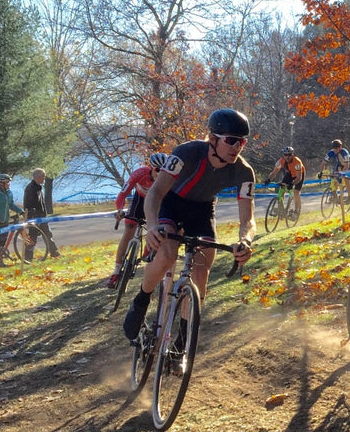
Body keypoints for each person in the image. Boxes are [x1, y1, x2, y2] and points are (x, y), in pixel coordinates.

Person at [122, 109, 256, 343]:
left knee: (202, 268)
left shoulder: (244, 172)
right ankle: (142, 299)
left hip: (202, 209)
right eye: (231, 140)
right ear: (212, 139)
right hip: (171, 203)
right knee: (167, 254)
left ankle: (184, 337)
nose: (237, 147)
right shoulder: (187, 152)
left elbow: (248, 220)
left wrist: (245, 240)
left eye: (242, 142)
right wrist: (152, 226)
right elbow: (155, 193)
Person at [106, 152, 169, 288]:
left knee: (157, 229)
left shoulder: (168, 178)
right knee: (129, 230)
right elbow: (122, 194)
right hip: (140, 200)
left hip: (158, 203)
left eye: (163, 170)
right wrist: (120, 209)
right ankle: (116, 271)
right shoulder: (139, 174)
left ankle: (148, 250)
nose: (160, 173)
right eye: (158, 170)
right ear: (151, 168)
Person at [22, 168, 61, 261]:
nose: (44, 179)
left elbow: (41, 203)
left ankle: (54, 253)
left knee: (48, 235)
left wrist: (44, 214)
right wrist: (34, 216)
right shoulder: (31, 188)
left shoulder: (38, 187)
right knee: (33, 238)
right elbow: (29, 204)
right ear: (38, 177)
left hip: (42, 217)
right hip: (34, 217)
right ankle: (27, 258)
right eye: (43, 177)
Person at [266, 146, 305, 214]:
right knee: (282, 187)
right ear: (283, 155)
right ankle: (281, 209)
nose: (287, 157)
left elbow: (299, 178)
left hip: (299, 174)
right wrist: (269, 179)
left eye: (289, 155)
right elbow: (274, 172)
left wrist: (292, 184)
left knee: (296, 192)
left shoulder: (297, 161)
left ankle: (296, 211)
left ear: (292, 154)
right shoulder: (281, 161)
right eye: (285, 155)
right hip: (290, 173)